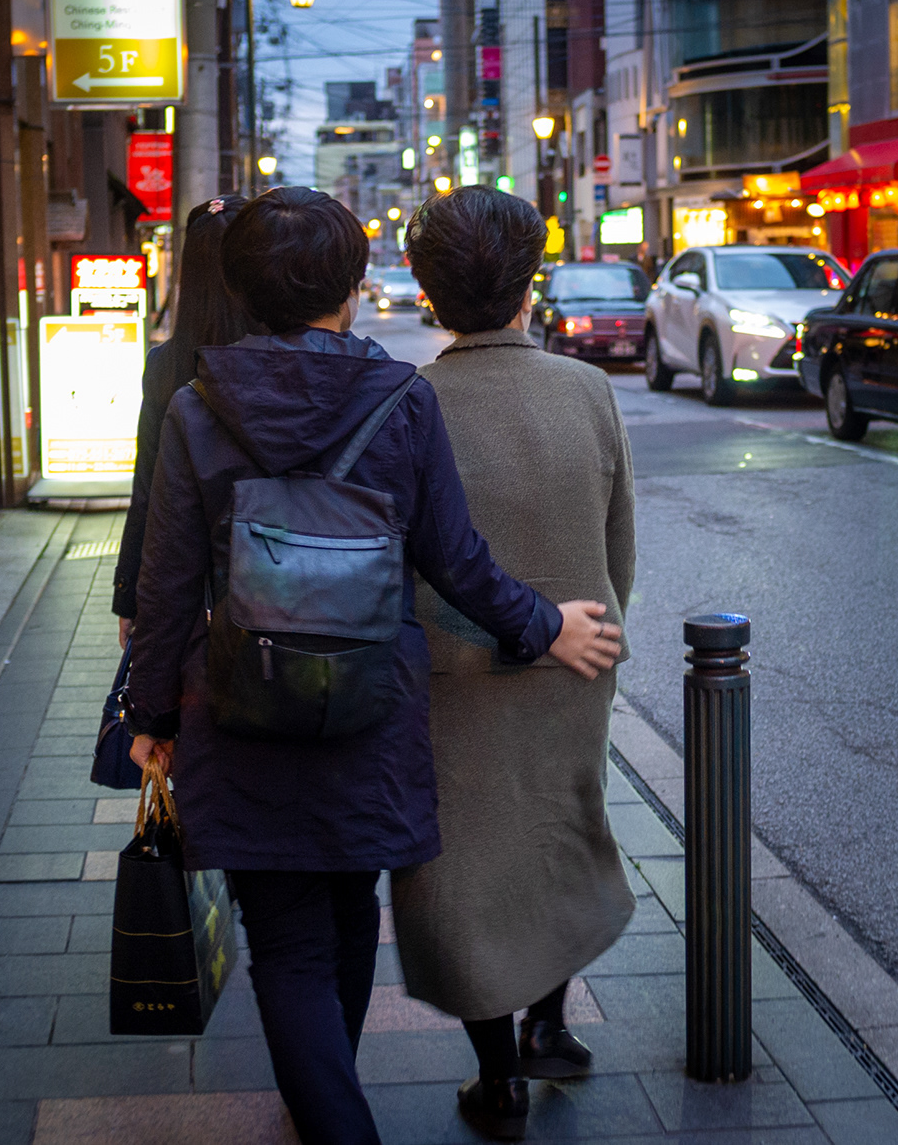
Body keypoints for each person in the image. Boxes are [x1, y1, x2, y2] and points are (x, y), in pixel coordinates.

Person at [124, 186, 623, 1145]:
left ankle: (328, 1108)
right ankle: (331, 1104)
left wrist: (150, 714)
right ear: (352, 288)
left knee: (288, 945)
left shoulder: (198, 407)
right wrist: (542, 625)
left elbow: (167, 581)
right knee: (350, 908)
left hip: (240, 701)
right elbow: (456, 559)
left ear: (243, 291)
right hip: (368, 704)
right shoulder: (401, 399)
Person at [388, 188, 638, 1140]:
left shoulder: (411, 400)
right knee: (559, 831)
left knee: (465, 865)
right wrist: (597, 626)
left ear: (430, 293)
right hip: (581, 656)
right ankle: (551, 1025)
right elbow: (619, 549)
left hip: (450, 677)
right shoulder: (587, 390)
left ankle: (498, 1077)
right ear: (530, 288)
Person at [111, 194, 262, 646]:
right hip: (275, 561)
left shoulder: (166, 364)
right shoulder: (281, 355)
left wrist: (129, 596)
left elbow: (147, 485)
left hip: (186, 576)